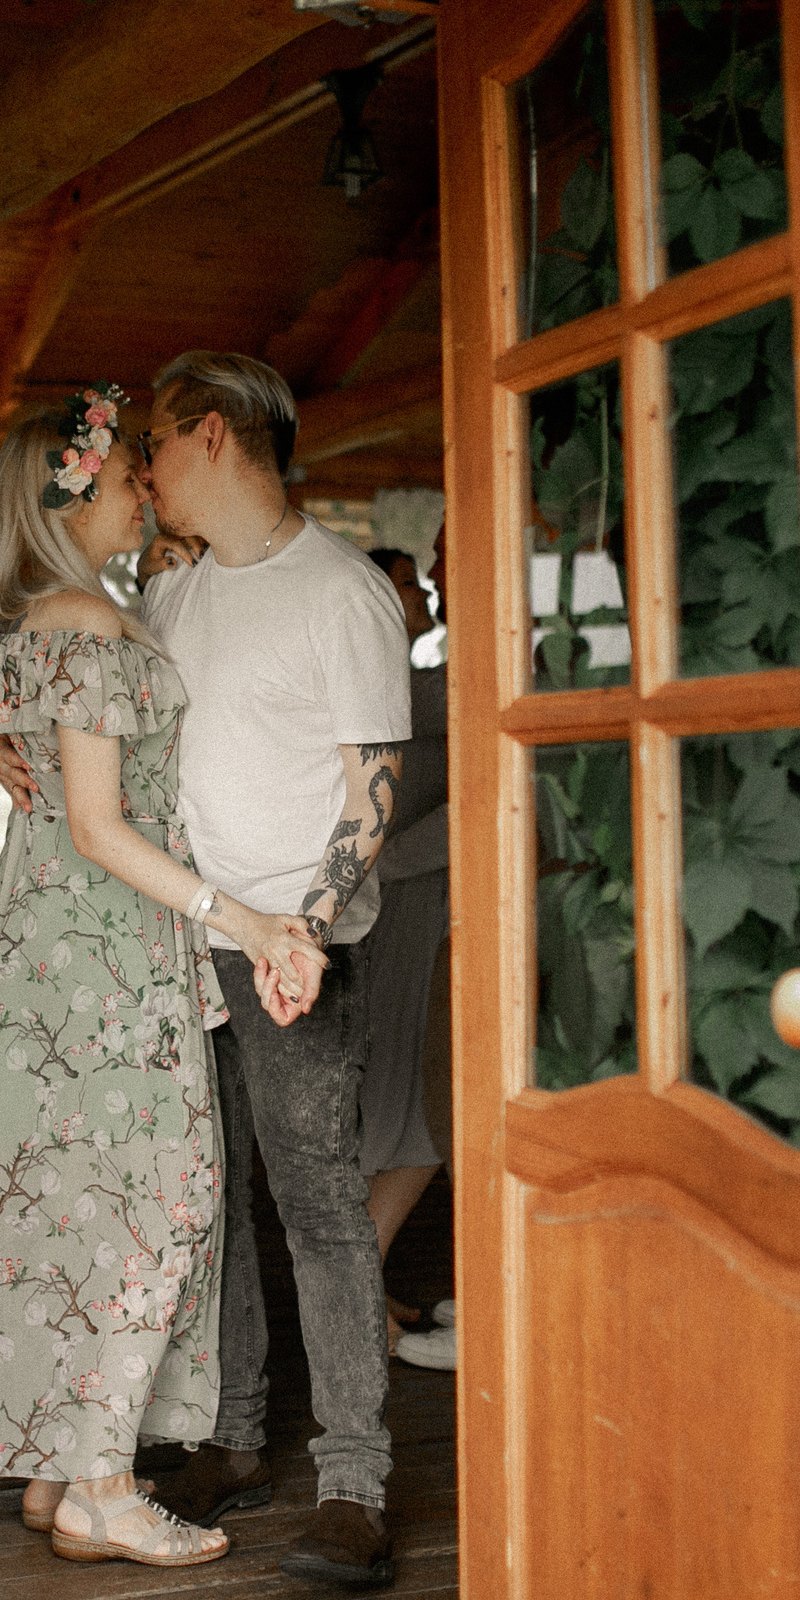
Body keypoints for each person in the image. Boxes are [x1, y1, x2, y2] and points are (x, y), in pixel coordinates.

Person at [0, 385, 328, 1570]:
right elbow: (95, 823)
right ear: (76, 491)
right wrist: (238, 914)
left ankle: (56, 1468)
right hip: (106, 950)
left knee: (74, 1199)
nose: (147, 487)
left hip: (61, 954)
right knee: (147, 1205)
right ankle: (102, 1487)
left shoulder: (53, 614)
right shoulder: (86, 624)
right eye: (131, 473)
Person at [0, 352, 411, 1589]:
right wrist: (16, 762)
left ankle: (353, 1483)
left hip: (293, 950)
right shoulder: (168, 598)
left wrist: (306, 931)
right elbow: (104, 748)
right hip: (172, 946)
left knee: (318, 1207)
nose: (144, 474)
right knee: (203, 1205)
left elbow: (370, 795)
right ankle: (233, 1437)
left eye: (155, 450)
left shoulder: (341, 594)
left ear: (212, 438)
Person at [354, 545, 448, 1357]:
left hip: (411, 901)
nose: (423, 590)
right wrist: (388, 868)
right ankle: (355, 1299)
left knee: (398, 1096)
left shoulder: (417, 683)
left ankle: (362, 1288)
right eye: (408, 582)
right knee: (411, 1105)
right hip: (404, 907)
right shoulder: (413, 692)